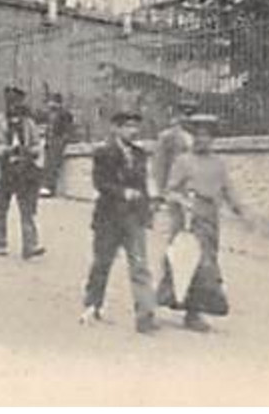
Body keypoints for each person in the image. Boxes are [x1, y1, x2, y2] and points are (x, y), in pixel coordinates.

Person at [157, 113, 244, 332]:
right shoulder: (183, 161)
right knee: (192, 262)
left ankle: (195, 310)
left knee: (208, 263)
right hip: (188, 219)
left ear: (213, 139)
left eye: (207, 136)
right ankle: (191, 312)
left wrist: (239, 209)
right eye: (198, 135)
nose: (202, 140)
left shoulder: (218, 164)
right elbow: (170, 190)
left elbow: (227, 189)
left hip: (210, 218)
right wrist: (182, 201)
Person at [80, 109, 158, 333]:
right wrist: (123, 192)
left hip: (134, 217)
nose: (132, 131)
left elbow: (143, 184)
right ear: (115, 128)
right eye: (127, 126)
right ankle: (93, 305)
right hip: (109, 217)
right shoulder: (103, 153)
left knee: (140, 266)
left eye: (135, 126)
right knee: (102, 263)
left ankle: (145, 315)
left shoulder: (140, 154)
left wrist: (147, 209)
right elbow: (100, 183)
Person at [0, 86, 46, 259]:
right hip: (3, 170)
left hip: (24, 171)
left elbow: (37, 145)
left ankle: (30, 245)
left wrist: (29, 151)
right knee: (1, 208)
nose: (14, 107)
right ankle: (0, 242)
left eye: (17, 103)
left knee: (27, 208)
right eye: (11, 103)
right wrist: (5, 150)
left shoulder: (29, 124)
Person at [152, 98, 194, 200]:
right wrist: (161, 190)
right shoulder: (167, 136)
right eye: (184, 114)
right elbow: (160, 164)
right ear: (177, 116)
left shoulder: (192, 136)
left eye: (189, 115)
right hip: (173, 186)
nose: (187, 118)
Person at [41, 92, 75, 197]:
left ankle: (49, 186)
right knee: (47, 163)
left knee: (53, 163)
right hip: (50, 140)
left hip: (58, 140)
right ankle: (45, 185)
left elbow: (67, 129)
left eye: (52, 102)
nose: (50, 105)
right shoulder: (50, 114)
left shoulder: (64, 114)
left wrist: (63, 139)